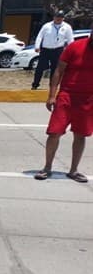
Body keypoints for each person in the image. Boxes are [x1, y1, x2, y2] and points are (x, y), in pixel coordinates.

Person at [34, 29, 93, 183]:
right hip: (66, 96)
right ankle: (47, 168)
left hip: (88, 99)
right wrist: (52, 96)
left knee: (80, 135)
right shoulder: (74, 47)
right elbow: (59, 71)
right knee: (54, 132)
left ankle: (74, 170)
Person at [31, 10, 74, 90]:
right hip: (45, 49)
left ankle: (52, 86)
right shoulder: (47, 26)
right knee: (40, 67)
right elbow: (40, 36)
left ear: (63, 18)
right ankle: (35, 84)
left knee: (55, 69)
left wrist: (71, 50)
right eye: (57, 17)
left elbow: (70, 39)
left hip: (58, 50)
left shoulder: (67, 27)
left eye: (60, 17)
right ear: (54, 17)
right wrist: (37, 46)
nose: (58, 19)